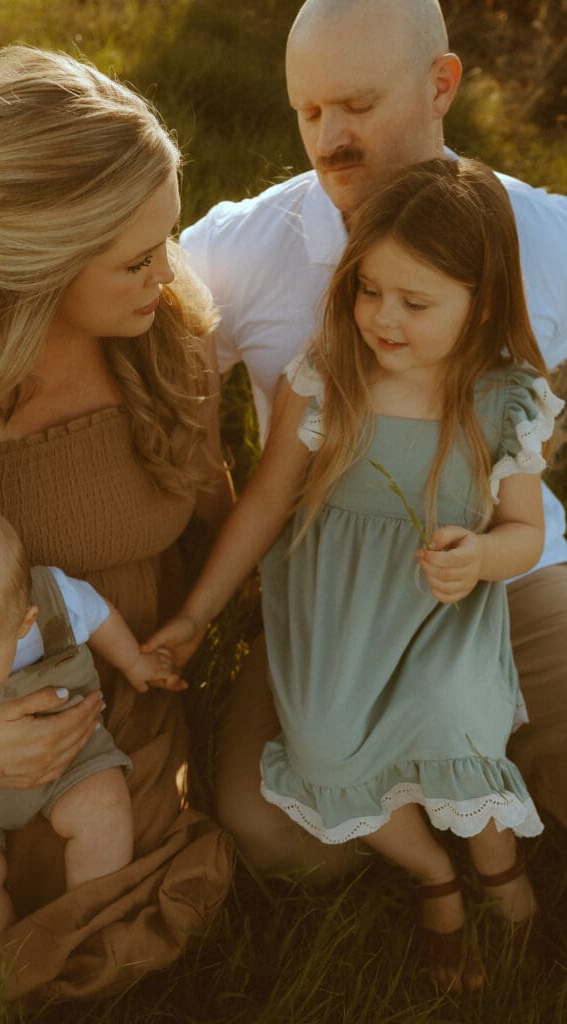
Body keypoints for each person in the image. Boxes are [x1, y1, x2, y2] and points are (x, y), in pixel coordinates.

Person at [150, 157, 564, 990]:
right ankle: (430, 873)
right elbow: (267, 502)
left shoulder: (500, 400)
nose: (382, 317)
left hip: (439, 613)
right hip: (334, 614)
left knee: (456, 730)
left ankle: (497, 869)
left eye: (414, 303)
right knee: (328, 755)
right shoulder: (329, 377)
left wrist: (481, 557)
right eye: (368, 290)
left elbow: (522, 529)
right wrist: (197, 615)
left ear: (480, 301)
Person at [180, 0, 567, 881]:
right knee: (274, 837)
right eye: (308, 112)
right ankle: (432, 835)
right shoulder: (244, 246)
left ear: (440, 86)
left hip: (507, 576)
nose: (328, 139)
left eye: (354, 105)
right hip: (332, 592)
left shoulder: (538, 233)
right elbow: (115, 290)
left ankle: (475, 797)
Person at [0, 45, 233, 1004]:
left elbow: (219, 512)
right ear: (34, 266)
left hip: (98, 687)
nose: (167, 274)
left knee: (115, 871)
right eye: (135, 256)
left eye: (166, 238)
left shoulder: (168, 338)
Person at [0, 501, 190, 943]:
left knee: (105, 811)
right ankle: (3, 953)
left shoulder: (52, 603)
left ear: (21, 625)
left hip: (70, 752)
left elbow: (98, 614)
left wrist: (135, 662)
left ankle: (83, 922)